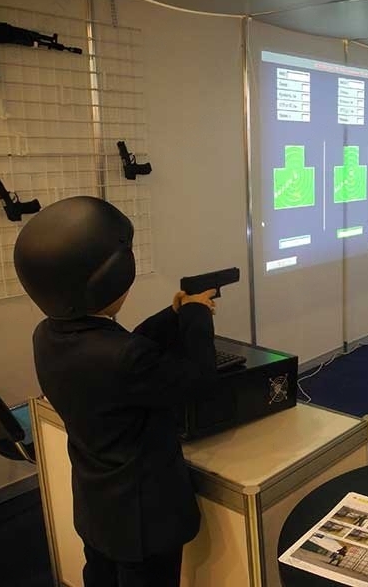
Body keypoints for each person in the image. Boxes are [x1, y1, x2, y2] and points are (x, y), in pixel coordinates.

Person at [13, 196, 218, 587]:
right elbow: (200, 381)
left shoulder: (48, 335)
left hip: (99, 509)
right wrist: (196, 315)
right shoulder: (124, 357)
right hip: (144, 520)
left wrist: (174, 313)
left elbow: (123, 345)